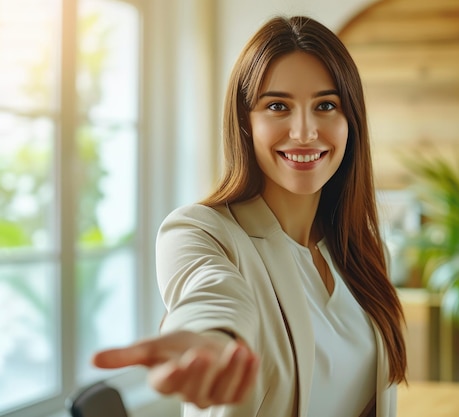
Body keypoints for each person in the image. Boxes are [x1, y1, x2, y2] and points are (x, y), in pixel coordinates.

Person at [93, 15, 407, 417]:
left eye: (326, 105)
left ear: (352, 123)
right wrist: (211, 339)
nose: (305, 131)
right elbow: (212, 294)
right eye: (278, 106)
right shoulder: (200, 231)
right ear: (245, 121)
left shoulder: (365, 250)